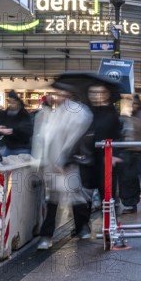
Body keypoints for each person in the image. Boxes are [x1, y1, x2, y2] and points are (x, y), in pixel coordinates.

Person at [36, 86, 93, 249]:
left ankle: (82, 227)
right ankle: (46, 235)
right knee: (53, 200)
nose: (58, 97)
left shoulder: (78, 112)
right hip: (53, 165)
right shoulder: (56, 114)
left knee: (75, 197)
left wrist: (64, 160)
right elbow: (48, 139)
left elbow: (75, 139)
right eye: (56, 94)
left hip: (68, 164)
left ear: (68, 94)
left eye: (61, 94)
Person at [0, 90, 33, 156]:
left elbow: (27, 131)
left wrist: (12, 130)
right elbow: (0, 125)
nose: (11, 105)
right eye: (10, 102)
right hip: (9, 148)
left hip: (22, 148)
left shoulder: (24, 114)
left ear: (18, 103)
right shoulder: (6, 113)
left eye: (13, 102)